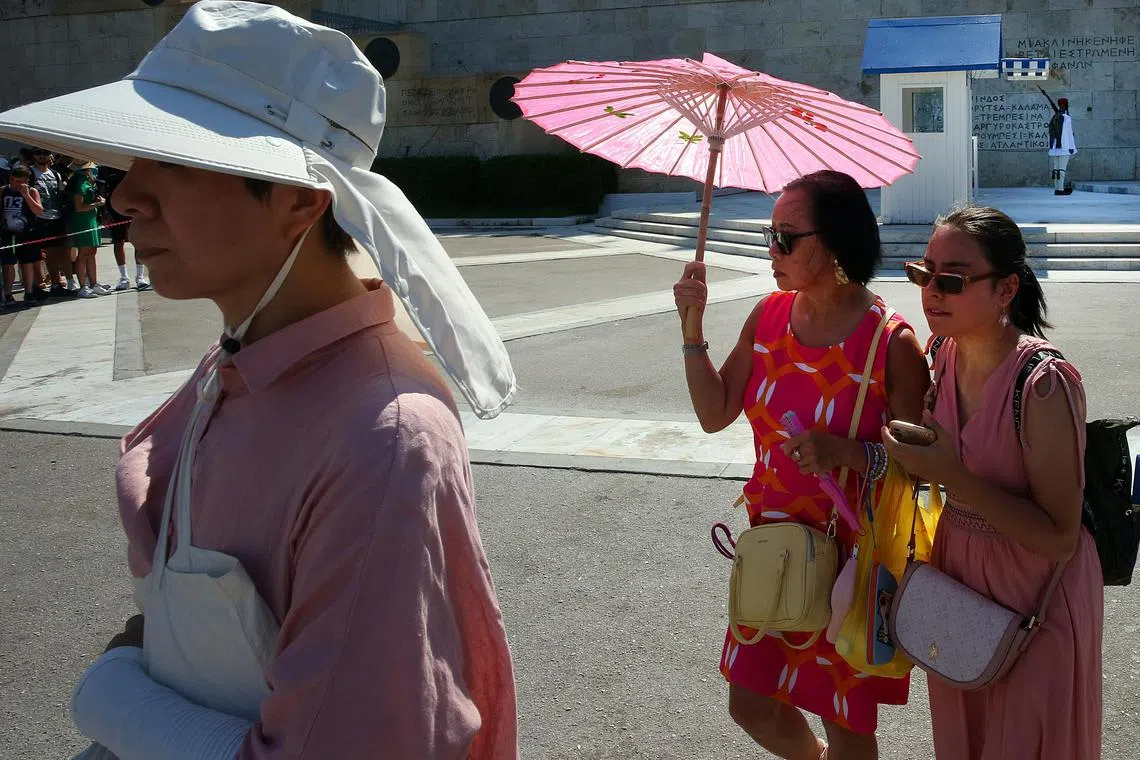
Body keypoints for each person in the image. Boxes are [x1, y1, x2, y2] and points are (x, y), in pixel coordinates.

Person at [0, 2, 520, 758]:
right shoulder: (236, 361)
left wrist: (112, 691)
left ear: (299, 200)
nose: (124, 196)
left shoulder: (382, 443)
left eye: (169, 162)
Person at [674, 170, 931, 760]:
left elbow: (924, 470)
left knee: (844, 721)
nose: (772, 250)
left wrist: (847, 452)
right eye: (771, 234)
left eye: (787, 237)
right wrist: (691, 329)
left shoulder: (889, 342)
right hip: (774, 546)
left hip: (851, 564)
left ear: (835, 241)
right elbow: (716, 413)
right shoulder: (767, 317)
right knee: (751, 702)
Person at [883, 206, 1102, 759]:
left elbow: (1059, 537)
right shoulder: (940, 353)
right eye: (924, 272)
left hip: (1038, 594)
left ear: (1007, 289)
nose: (932, 291)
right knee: (966, 739)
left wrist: (950, 473)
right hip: (958, 579)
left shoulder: (1043, 384)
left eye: (951, 279)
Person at [29, 148, 77, 296]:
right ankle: (55, 284)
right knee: (49, 253)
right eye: (39, 153)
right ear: (34, 156)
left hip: (57, 216)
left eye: (45, 153)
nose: (42, 156)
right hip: (40, 218)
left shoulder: (55, 173)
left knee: (63, 251)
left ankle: (66, 282)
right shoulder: (30, 173)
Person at [99, 166, 149, 290]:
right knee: (118, 242)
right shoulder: (104, 168)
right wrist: (103, 211)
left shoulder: (128, 164)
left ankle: (140, 277)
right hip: (114, 210)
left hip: (133, 209)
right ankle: (124, 278)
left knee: (138, 241)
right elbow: (101, 191)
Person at [1, 165, 44, 308]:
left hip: (27, 232)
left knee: (27, 264)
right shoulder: (3, 191)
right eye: (15, 181)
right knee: (8, 264)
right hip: (8, 233)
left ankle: (29, 292)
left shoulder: (32, 191)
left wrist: (26, 195)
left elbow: (38, 210)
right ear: (10, 179)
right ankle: (7, 294)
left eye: (21, 182)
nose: (17, 185)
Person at [65, 160, 109, 298]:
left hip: (91, 219)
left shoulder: (87, 180)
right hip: (83, 221)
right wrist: (98, 204)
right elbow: (79, 207)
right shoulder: (79, 181)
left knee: (92, 252)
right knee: (83, 254)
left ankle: (94, 283)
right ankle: (83, 286)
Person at [1042, 91, 1077, 196]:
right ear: (1066, 106)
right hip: (1064, 146)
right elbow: (1069, 134)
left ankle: (1057, 188)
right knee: (1061, 169)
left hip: (1054, 147)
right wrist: (1072, 147)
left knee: (1056, 169)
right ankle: (1060, 189)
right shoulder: (1066, 118)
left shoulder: (1054, 117)